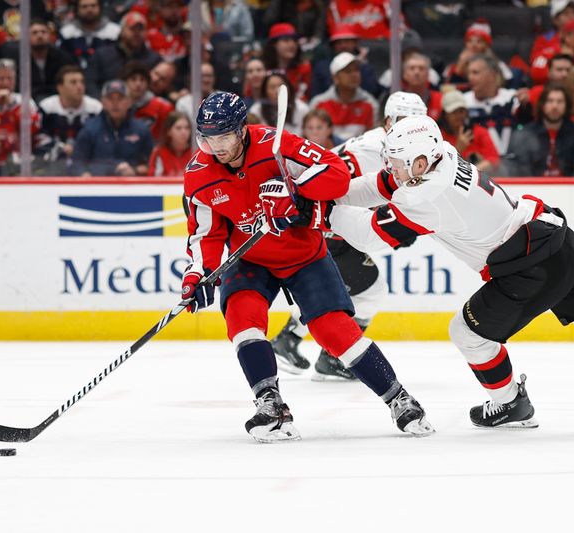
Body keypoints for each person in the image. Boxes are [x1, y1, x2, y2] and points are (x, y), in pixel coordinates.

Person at [320, 113, 574, 429]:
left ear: (421, 161)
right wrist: (333, 193)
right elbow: (383, 184)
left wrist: (324, 212)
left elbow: (371, 236)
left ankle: (510, 401)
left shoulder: (427, 195)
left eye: (397, 161)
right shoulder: (437, 155)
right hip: (555, 238)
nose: (391, 167)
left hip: (526, 267)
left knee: (468, 334)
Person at [182, 91, 433, 441]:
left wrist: (296, 191)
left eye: (223, 136)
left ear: (241, 130)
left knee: (334, 331)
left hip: (304, 254)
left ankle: (398, 398)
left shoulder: (276, 144)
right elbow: (206, 233)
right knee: (242, 318)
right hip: (251, 258)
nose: (216, 147)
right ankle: (270, 403)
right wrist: (199, 273)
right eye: (207, 139)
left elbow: (337, 174)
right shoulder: (199, 175)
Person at [269, 91, 424, 379]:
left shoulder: (384, 142)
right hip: (325, 223)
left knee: (348, 291)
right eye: (404, 120)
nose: (410, 127)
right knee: (368, 291)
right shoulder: (376, 148)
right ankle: (324, 354)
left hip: (330, 222)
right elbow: (357, 190)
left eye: (417, 121)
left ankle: (292, 341)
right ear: (389, 121)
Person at [506, 85, 574, 177]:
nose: (555, 106)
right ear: (542, 104)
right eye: (550, 101)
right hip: (534, 188)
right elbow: (519, 168)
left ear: (567, 105)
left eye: (560, 102)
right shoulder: (525, 134)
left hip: (571, 188)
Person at [71, 79, 154, 177]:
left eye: (120, 98)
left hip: (132, 186)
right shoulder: (90, 129)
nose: (115, 103)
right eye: (110, 98)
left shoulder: (141, 130)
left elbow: (151, 164)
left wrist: (134, 170)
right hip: (97, 186)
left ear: (129, 102)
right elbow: (76, 162)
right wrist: (85, 175)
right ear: (103, 102)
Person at [36, 65, 103, 175]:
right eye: (73, 82)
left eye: (81, 82)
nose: (79, 86)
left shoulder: (95, 109)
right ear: (60, 87)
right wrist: (59, 148)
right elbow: (38, 137)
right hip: (52, 162)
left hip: (86, 164)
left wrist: (79, 149)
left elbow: (101, 139)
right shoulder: (46, 107)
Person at [464, 54, 533, 156]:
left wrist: (529, 101)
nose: (470, 77)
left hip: (513, 163)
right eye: (468, 73)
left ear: (492, 75)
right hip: (479, 164)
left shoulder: (512, 98)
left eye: (475, 73)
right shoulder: (463, 102)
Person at [86, 12, 162, 97]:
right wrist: (102, 102)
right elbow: (90, 82)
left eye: (140, 29)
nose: (136, 33)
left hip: (143, 105)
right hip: (106, 104)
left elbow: (159, 87)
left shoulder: (154, 59)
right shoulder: (102, 55)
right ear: (122, 30)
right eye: (132, 29)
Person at [309, 52, 378, 142]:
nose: (354, 75)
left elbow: (372, 140)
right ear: (335, 78)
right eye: (348, 71)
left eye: (356, 70)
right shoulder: (318, 103)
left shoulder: (370, 104)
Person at [2, 19, 76, 103]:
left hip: (56, 100)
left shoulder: (61, 57)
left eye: (43, 32)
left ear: (50, 36)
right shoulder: (17, 58)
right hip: (26, 100)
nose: (40, 35)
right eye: (34, 33)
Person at [443, 20, 517, 93]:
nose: (474, 45)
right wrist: (459, 68)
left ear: (486, 45)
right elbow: (448, 91)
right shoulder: (452, 67)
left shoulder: (498, 65)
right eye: (470, 41)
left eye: (479, 41)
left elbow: (505, 88)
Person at [310, 24, 381, 99]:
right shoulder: (321, 67)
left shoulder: (364, 66)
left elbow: (372, 91)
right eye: (339, 43)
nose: (343, 46)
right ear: (333, 45)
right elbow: (316, 95)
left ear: (355, 43)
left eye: (347, 41)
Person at [438, 89, 499, 175]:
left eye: (461, 111)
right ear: (445, 115)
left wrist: (473, 171)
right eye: (454, 112)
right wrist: (457, 149)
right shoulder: (438, 136)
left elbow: (494, 160)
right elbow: (438, 168)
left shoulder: (480, 132)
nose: (459, 115)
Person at [58, 0, 121, 71]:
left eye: (93, 6)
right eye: (84, 6)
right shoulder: (67, 32)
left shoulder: (114, 31)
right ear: (77, 9)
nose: (89, 9)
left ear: (100, 7)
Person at [122, 61, 174, 141]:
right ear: (125, 82)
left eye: (142, 80)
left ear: (147, 83)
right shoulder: (115, 106)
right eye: (133, 79)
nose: (138, 84)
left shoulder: (163, 107)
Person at [249, 71, 309, 135]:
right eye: (272, 87)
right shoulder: (256, 110)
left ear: (289, 88)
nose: (277, 91)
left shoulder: (302, 109)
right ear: (265, 91)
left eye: (281, 86)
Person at [262, 23, 311, 101]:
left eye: (295, 41)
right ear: (274, 44)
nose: (292, 45)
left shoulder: (304, 69)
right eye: (286, 40)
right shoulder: (262, 70)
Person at [148, 111, 193, 176]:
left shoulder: (196, 152)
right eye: (178, 128)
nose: (184, 132)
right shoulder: (158, 153)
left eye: (187, 128)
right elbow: (153, 180)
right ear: (168, 131)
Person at [400, 52, 442, 121]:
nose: (417, 72)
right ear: (404, 74)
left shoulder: (439, 99)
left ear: (428, 74)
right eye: (412, 68)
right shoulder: (397, 100)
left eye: (421, 68)